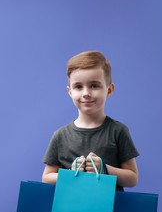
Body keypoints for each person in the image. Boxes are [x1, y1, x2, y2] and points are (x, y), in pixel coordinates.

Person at [42, 51, 139, 191]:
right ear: (70, 92)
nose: (86, 93)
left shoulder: (118, 131)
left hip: (110, 210)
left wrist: (105, 169)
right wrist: (71, 174)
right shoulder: (60, 135)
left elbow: (132, 179)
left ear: (109, 90)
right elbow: (46, 177)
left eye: (94, 85)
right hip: (70, 209)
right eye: (78, 86)